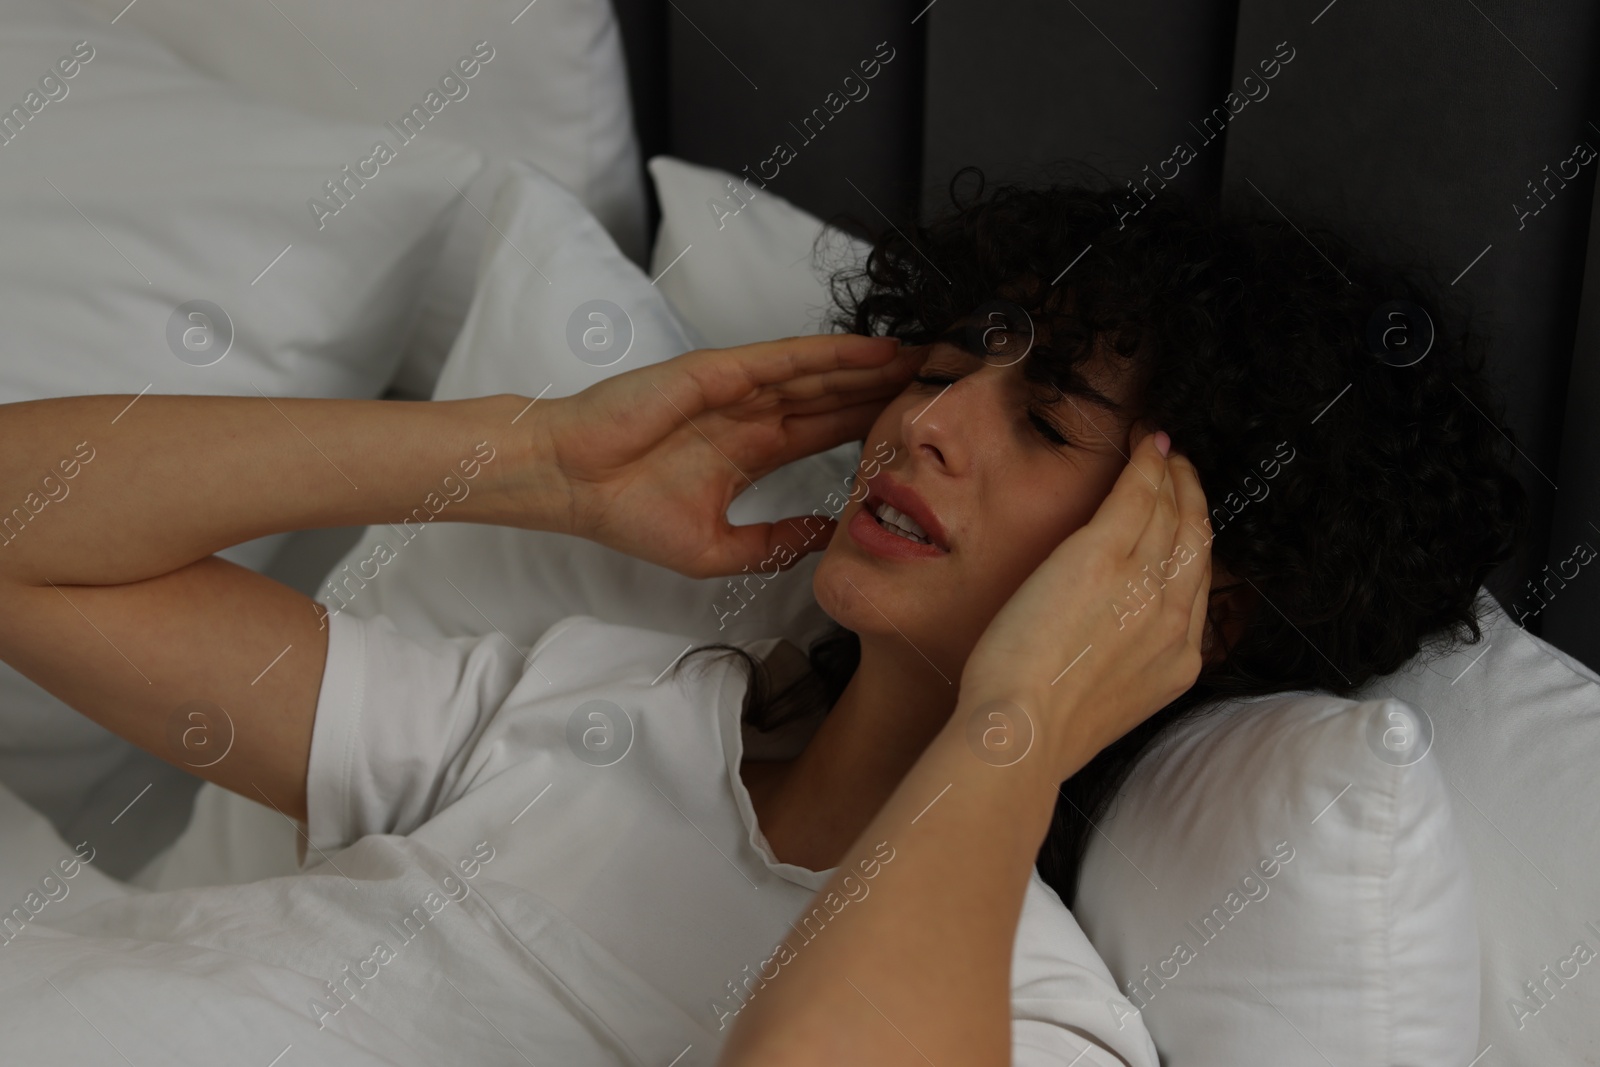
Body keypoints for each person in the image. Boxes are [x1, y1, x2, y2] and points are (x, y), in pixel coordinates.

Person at [0, 172, 1524, 1066]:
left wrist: (1018, 729)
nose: (929, 423)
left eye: (1047, 420)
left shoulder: (1026, 1021)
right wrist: (535, 459)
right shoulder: (605, 716)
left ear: (1186, 584)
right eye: (948, 364)